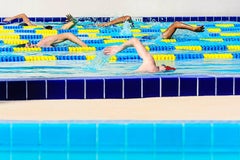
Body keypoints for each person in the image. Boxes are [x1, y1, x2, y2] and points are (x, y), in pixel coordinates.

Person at [103, 38, 176, 73]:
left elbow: (134, 40)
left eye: (163, 65)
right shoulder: (148, 71)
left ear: (163, 68)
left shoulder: (150, 64)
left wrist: (118, 48)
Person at [3, 13, 77, 30]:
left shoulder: (29, 25)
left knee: (60, 30)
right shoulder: (29, 24)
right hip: (44, 28)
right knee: (61, 30)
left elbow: (23, 15)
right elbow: (23, 15)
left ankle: (72, 22)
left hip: (45, 29)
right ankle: (72, 22)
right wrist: (11, 18)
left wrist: (10, 18)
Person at [17, 33, 87, 47]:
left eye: (29, 44)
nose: (31, 46)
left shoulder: (44, 42)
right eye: (29, 48)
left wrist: (85, 47)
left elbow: (68, 35)